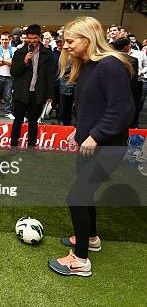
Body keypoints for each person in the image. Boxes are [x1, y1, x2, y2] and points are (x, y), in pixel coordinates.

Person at [49, 16, 134, 277]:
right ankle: (91, 239)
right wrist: (80, 131)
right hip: (92, 144)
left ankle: (80, 261)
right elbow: (95, 107)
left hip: (106, 147)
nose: (64, 46)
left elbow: (123, 110)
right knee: (84, 194)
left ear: (88, 40)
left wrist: (95, 135)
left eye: (70, 41)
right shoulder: (88, 66)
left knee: (77, 197)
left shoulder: (110, 65)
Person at [9, 24, 55, 147]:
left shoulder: (47, 54)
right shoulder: (20, 52)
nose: (32, 41)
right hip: (21, 92)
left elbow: (50, 76)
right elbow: (13, 72)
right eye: (29, 38)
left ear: (40, 37)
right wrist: (24, 61)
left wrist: (50, 94)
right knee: (18, 121)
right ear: (26, 38)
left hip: (37, 93)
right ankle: (13, 146)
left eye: (35, 38)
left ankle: (31, 147)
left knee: (33, 122)